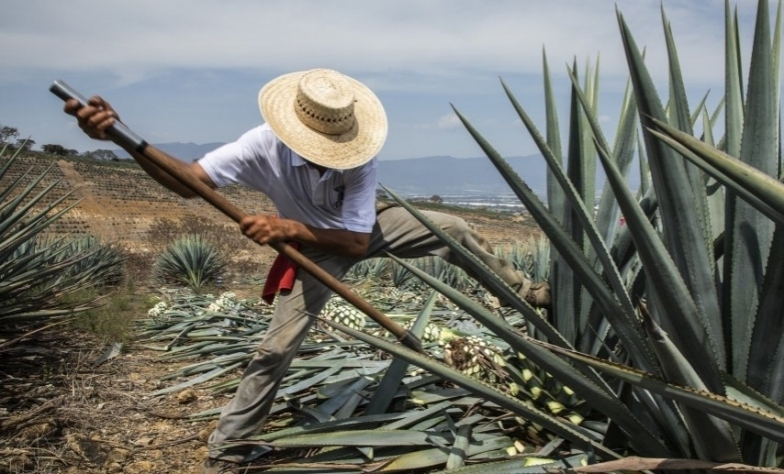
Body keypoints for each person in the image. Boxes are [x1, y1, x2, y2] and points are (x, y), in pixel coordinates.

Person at [65, 68, 549, 473]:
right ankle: (230, 448)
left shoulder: (359, 155)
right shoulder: (260, 145)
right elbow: (191, 183)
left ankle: (529, 292)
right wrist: (124, 140)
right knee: (275, 348)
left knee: (452, 228)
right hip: (309, 251)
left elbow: (357, 242)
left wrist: (286, 225)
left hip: (358, 231)